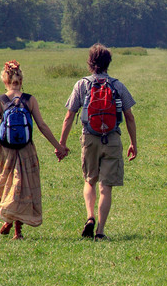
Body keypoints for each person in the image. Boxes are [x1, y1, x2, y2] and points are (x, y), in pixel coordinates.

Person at [0, 60, 69, 240]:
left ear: (5, 80)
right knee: (22, 188)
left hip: (6, 150)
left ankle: (8, 218)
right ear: (21, 80)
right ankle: (17, 231)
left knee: (6, 185)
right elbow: (42, 125)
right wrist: (58, 147)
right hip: (27, 150)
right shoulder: (30, 100)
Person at [59, 44, 137, 241]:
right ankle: (100, 232)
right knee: (106, 187)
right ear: (108, 63)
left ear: (90, 63)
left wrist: (62, 143)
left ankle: (90, 217)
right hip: (112, 139)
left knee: (89, 180)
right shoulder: (118, 85)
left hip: (89, 138)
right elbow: (129, 116)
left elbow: (69, 116)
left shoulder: (82, 85)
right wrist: (133, 143)